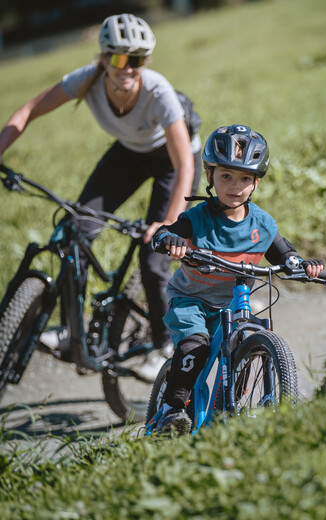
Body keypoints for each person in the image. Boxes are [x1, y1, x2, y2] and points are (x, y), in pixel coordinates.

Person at [0, 14, 202, 368]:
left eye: (137, 60)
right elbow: (29, 110)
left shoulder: (157, 90)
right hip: (128, 153)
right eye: (120, 58)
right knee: (75, 231)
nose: (128, 69)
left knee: (154, 255)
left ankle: (164, 346)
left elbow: (184, 162)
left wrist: (169, 222)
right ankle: (68, 331)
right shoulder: (86, 80)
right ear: (105, 57)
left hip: (173, 159)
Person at [150, 124, 325, 435]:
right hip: (192, 300)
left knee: (242, 341)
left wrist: (302, 265)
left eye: (245, 178)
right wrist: (169, 241)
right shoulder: (198, 218)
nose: (235, 185)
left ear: (256, 182)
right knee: (195, 345)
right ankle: (170, 408)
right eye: (226, 176)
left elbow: (284, 253)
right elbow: (168, 233)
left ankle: (230, 411)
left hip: (231, 303)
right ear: (210, 176)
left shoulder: (262, 224)